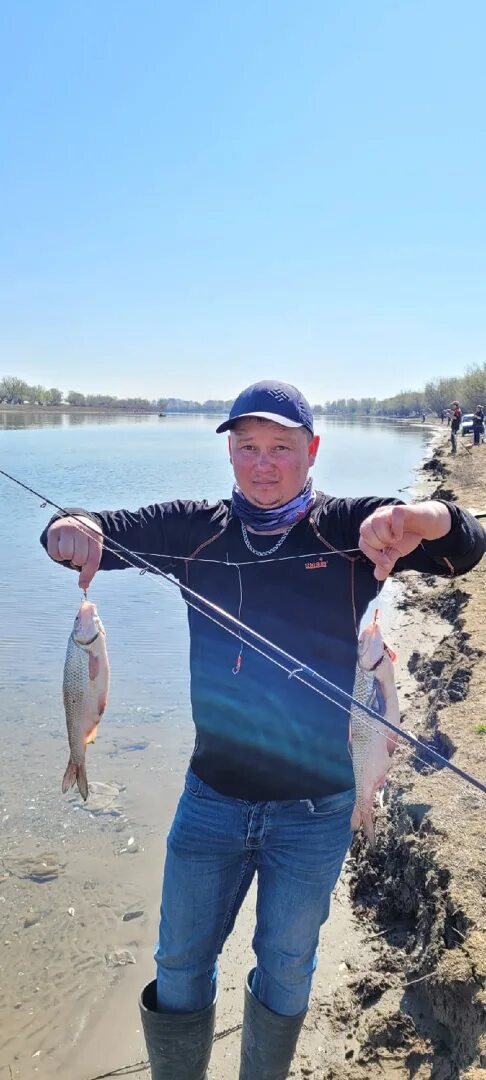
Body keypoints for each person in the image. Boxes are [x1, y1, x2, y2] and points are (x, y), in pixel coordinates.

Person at [40, 380, 486, 1080]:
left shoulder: (351, 530)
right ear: (229, 453)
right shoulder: (196, 528)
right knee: (181, 964)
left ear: (312, 452)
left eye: (281, 447)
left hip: (317, 809)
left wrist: (418, 517)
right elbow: (96, 532)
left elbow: (467, 544)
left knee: (285, 964)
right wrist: (67, 531)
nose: (263, 463)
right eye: (247, 447)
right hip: (211, 800)